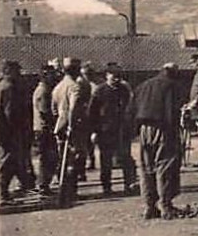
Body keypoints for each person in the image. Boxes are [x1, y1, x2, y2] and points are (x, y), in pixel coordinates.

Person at [128, 62, 185, 219]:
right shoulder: (171, 86)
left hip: (144, 130)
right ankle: (166, 206)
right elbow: (171, 111)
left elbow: (131, 110)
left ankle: (149, 206)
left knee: (147, 168)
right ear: (172, 72)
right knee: (165, 166)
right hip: (163, 129)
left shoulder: (143, 85)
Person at [51, 56, 93, 207]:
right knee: (74, 159)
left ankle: (66, 189)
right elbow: (73, 109)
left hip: (60, 126)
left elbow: (54, 109)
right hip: (73, 127)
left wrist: (60, 123)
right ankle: (69, 191)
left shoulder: (58, 87)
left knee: (64, 157)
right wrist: (71, 125)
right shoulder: (75, 87)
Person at [91, 61, 137, 195]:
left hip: (122, 131)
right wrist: (94, 131)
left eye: (118, 76)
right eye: (113, 75)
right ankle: (107, 187)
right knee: (106, 161)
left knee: (125, 158)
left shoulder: (124, 90)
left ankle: (129, 185)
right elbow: (92, 113)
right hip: (105, 131)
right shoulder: (100, 91)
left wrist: (131, 126)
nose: (116, 78)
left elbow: (130, 109)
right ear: (106, 76)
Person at [0, 60, 33, 200]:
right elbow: (10, 112)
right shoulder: (9, 88)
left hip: (2, 130)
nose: (19, 74)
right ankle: (3, 192)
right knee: (9, 160)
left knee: (8, 159)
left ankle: (20, 185)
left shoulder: (0, 86)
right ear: (9, 72)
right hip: (11, 131)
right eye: (16, 71)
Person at [32, 61, 61, 195]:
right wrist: (55, 125)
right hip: (44, 129)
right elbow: (45, 112)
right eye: (50, 74)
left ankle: (44, 184)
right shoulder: (44, 91)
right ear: (44, 75)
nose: (53, 77)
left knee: (49, 157)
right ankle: (43, 185)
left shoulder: (45, 89)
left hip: (43, 128)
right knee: (47, 157)